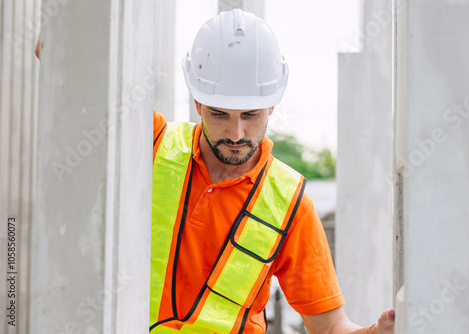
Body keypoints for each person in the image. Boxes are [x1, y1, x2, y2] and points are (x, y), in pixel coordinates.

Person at [36, 9, 394, 334]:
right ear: (197, 103)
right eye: (219, 114)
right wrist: (59, 37)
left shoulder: (290, 203)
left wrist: (375, 333)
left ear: (271, 106)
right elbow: (78, 69)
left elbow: (330, 326)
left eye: (250, 116)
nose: (236, 134)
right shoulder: (153, 141)